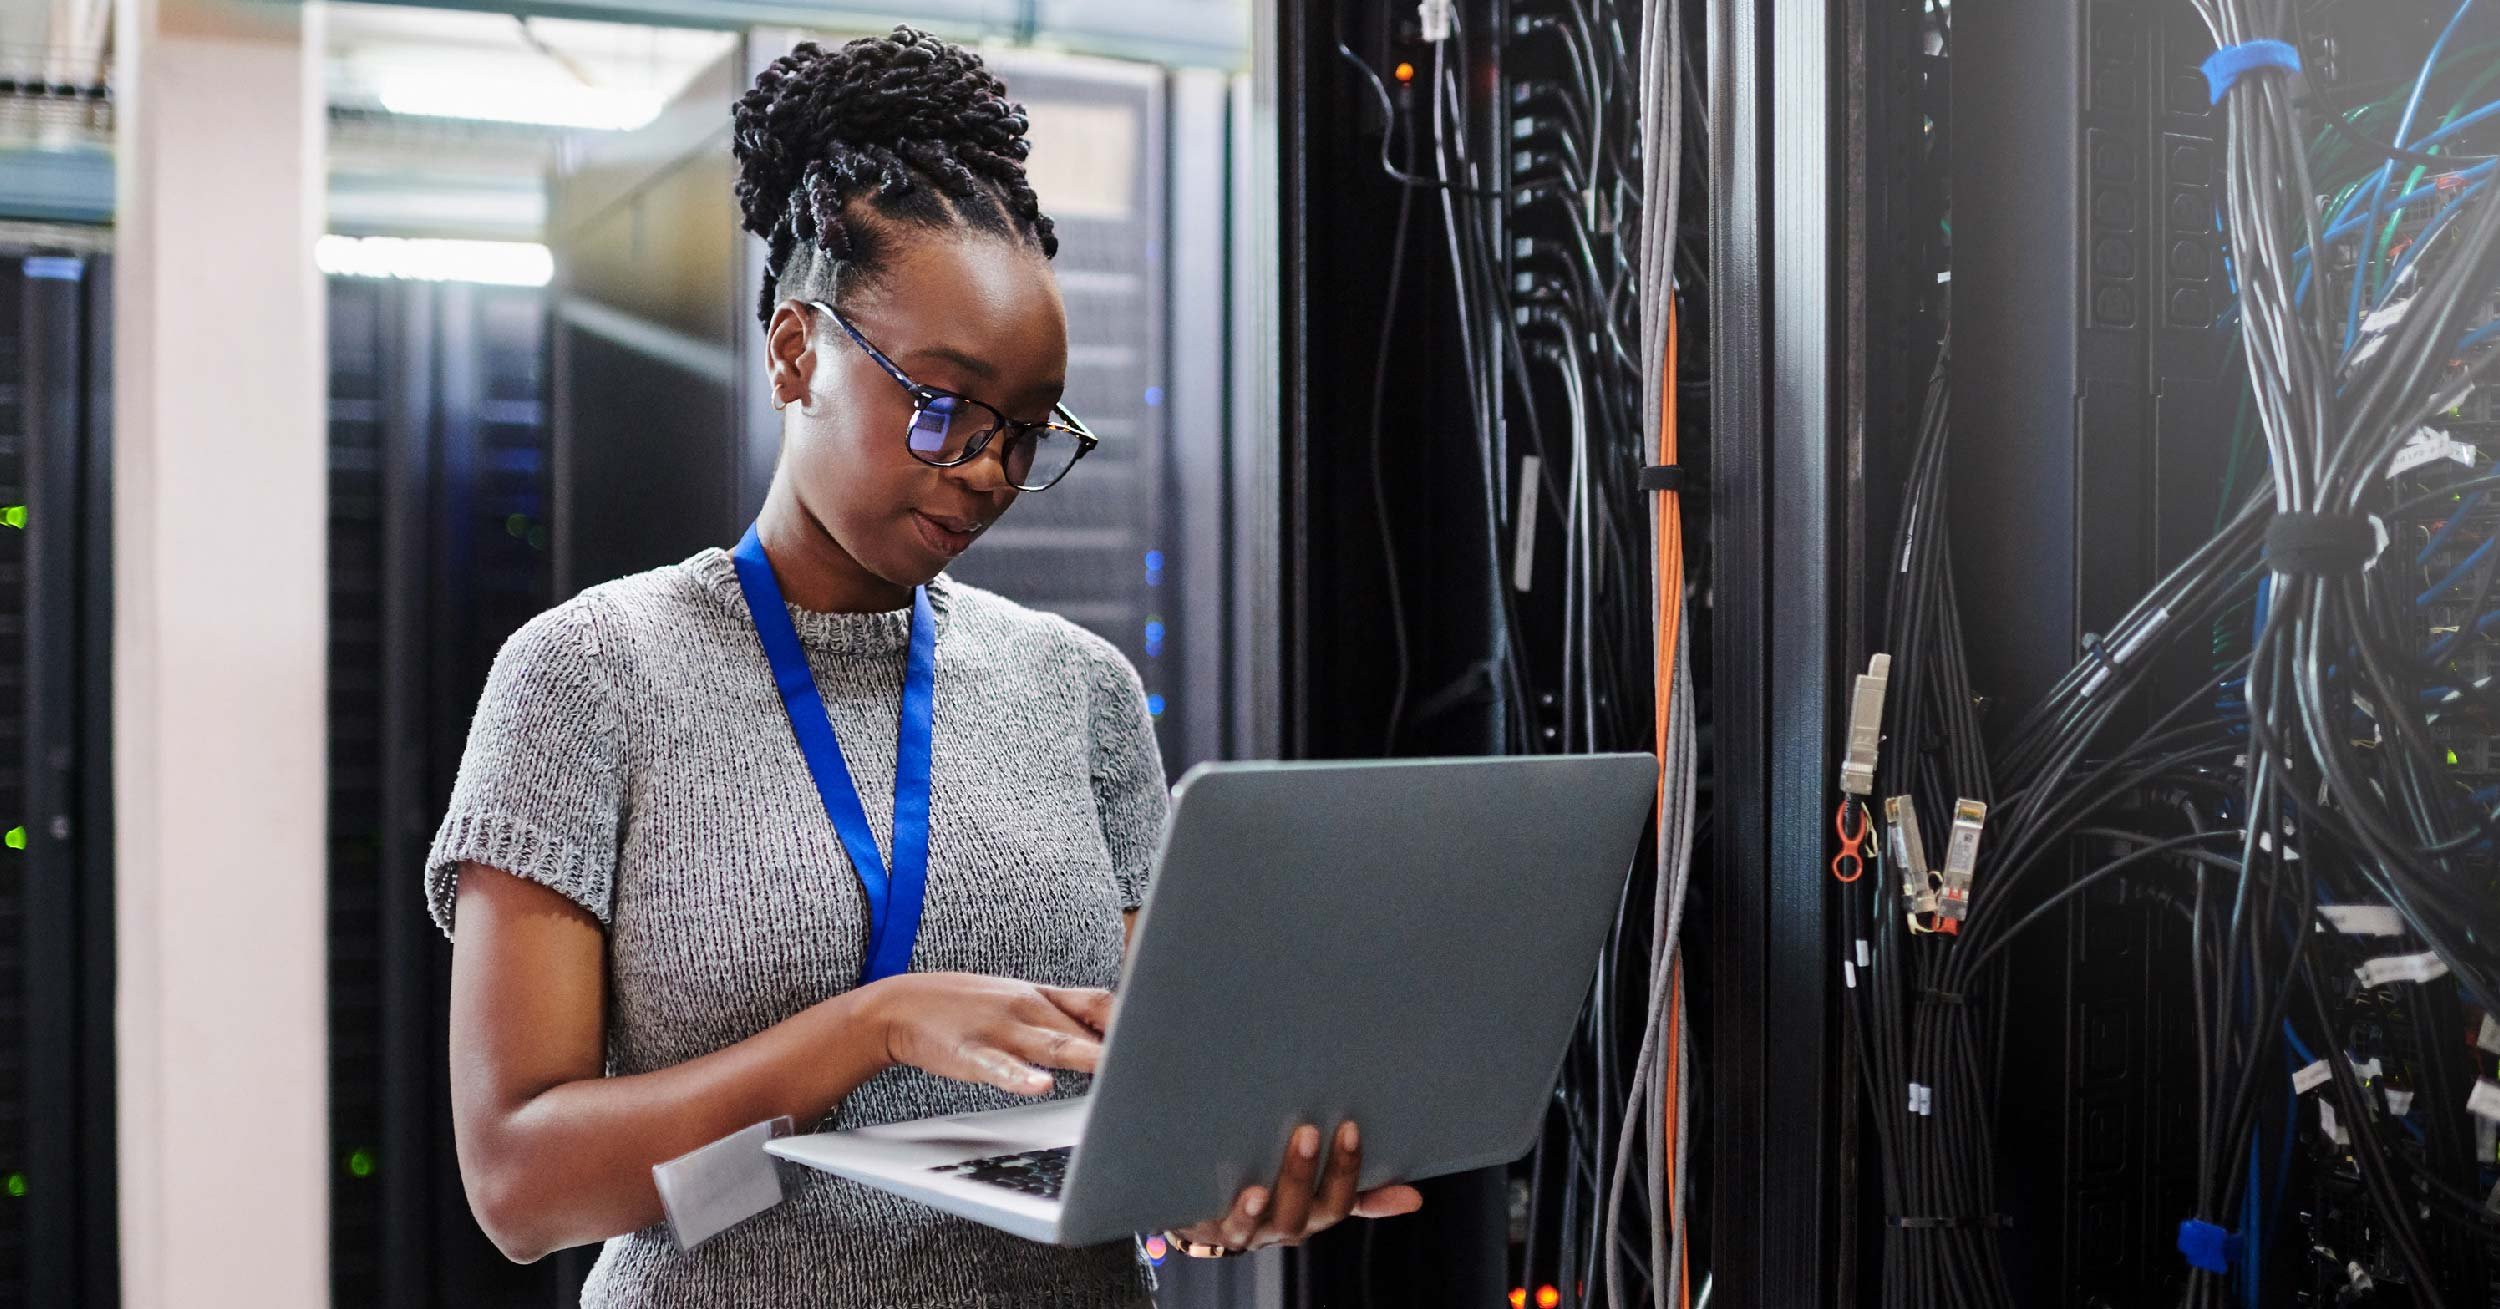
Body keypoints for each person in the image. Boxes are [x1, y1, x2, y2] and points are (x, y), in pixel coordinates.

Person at [430, 26, 1422, 1308]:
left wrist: (1220, 1181)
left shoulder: (1079, 692)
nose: (989, 472)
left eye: (1026, 430)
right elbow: (519, 1186)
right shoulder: (587, 676)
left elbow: (1140, 1095)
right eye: (943, 405)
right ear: (797, 351)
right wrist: (867, 1028)